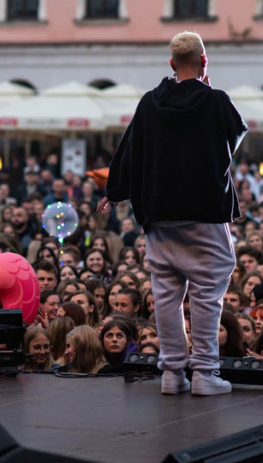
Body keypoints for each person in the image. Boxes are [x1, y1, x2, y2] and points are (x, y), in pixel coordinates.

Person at [100, 32, 246, 396]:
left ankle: (171, 373)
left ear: (170, 64)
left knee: (166, 294)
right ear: (204, 62)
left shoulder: (150, 102)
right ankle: (205, 374)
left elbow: (129, 147)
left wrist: (114, 191)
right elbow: (236, 136)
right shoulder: (215, 101)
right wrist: (210, 94)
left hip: (159, 214)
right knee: (207, 293)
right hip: (203, 213)